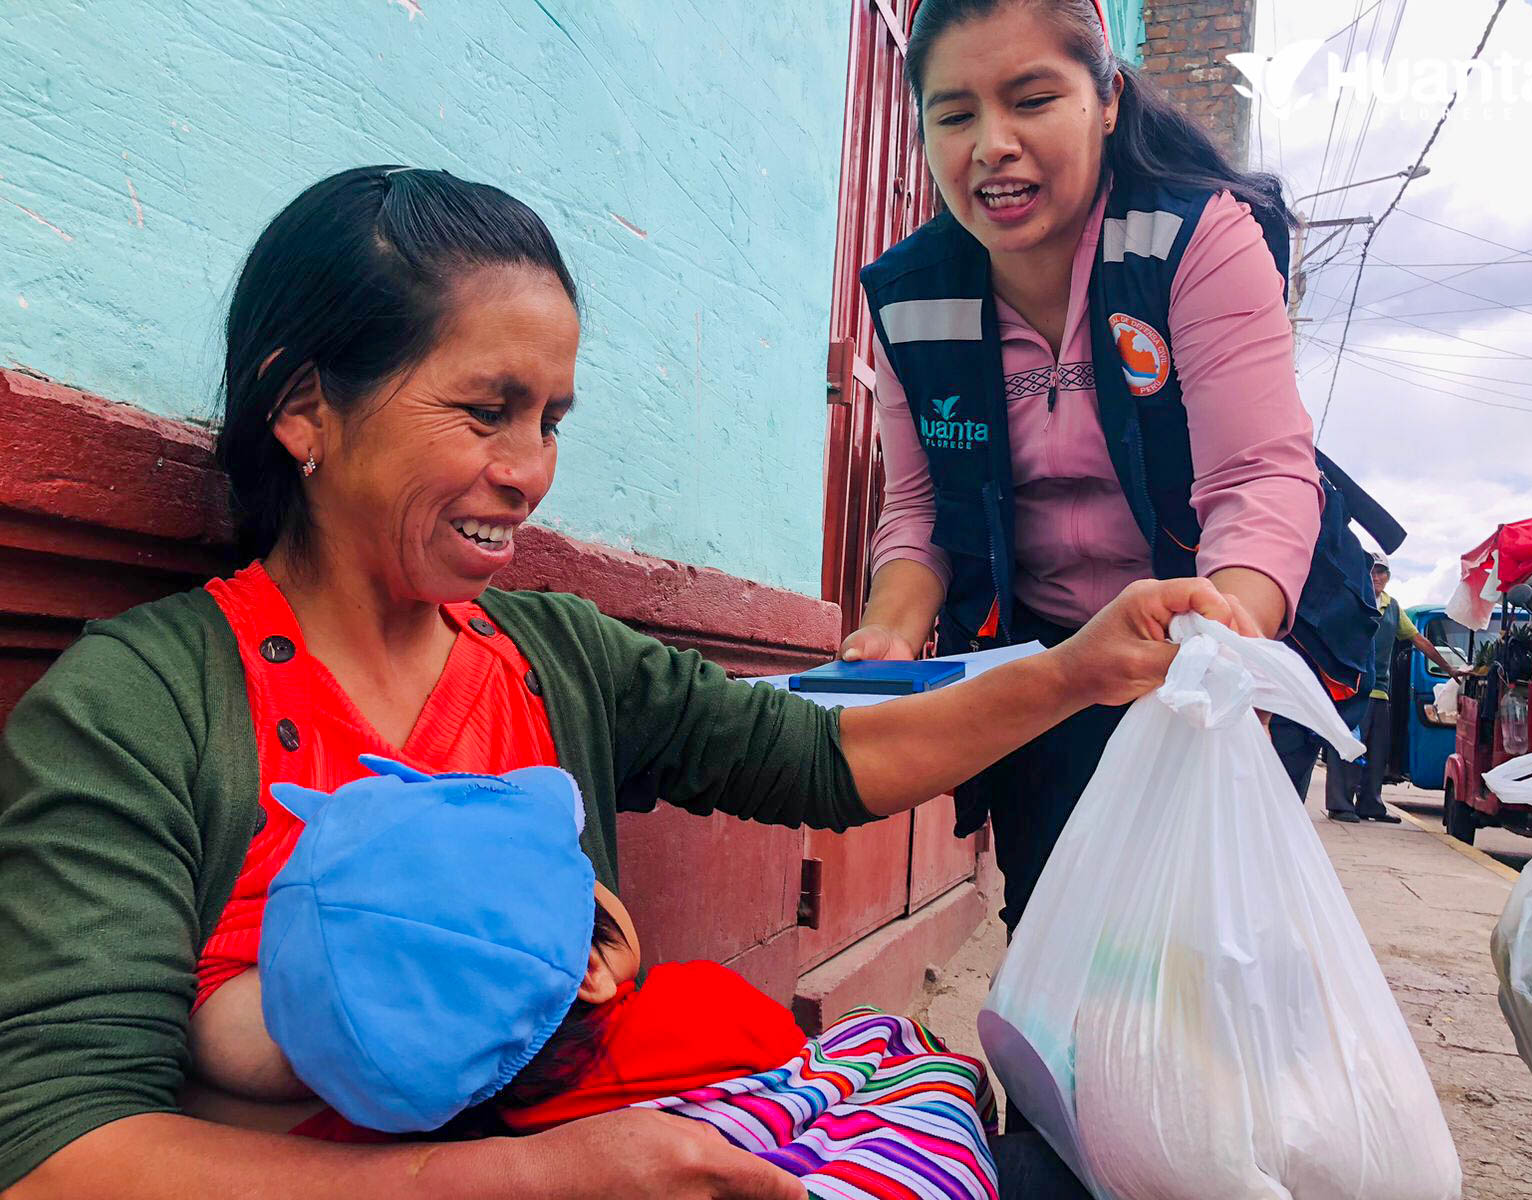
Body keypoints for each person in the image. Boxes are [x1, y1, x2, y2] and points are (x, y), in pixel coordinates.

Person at [0, 164, 1230, 1199]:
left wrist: (1073, 674)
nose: (530, 472)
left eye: (551, 422)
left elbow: (820, 758)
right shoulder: (146, 707)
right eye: (486, 412)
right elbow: (57, 1151)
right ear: (304, 407)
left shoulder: (557, 659)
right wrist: (532, 1180)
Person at [842, 0, 1330, 939]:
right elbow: (915, 512)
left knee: (1203, 953)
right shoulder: (912, 297)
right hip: (1052, 668)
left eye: (1032, 100)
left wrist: (1219, 652)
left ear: (1105, 99)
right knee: (1056, 944)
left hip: (1208, 655)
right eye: (954, 115)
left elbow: (1261, 479)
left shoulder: (1197, 240)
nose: (993, 145)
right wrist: (889, 633)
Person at [197, 759, 1013, 1200]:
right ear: (592, 967)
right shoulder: (699, 999)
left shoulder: (404, 1122)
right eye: (577, 869)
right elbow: (793, 1060)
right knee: (885, 1044)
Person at [1325, 552, 1465, 824]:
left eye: (1382, 573)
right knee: (1347, 746)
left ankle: (1370, 804)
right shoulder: (1352, 600)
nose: (1376, 577)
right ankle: (1340, 804)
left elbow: (1418, 640)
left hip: (1380, 691)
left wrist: (1449, 669)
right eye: (1372, 572)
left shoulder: (1392, 607)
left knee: (1377, 753)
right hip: (1352, 689)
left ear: (1388, 577)